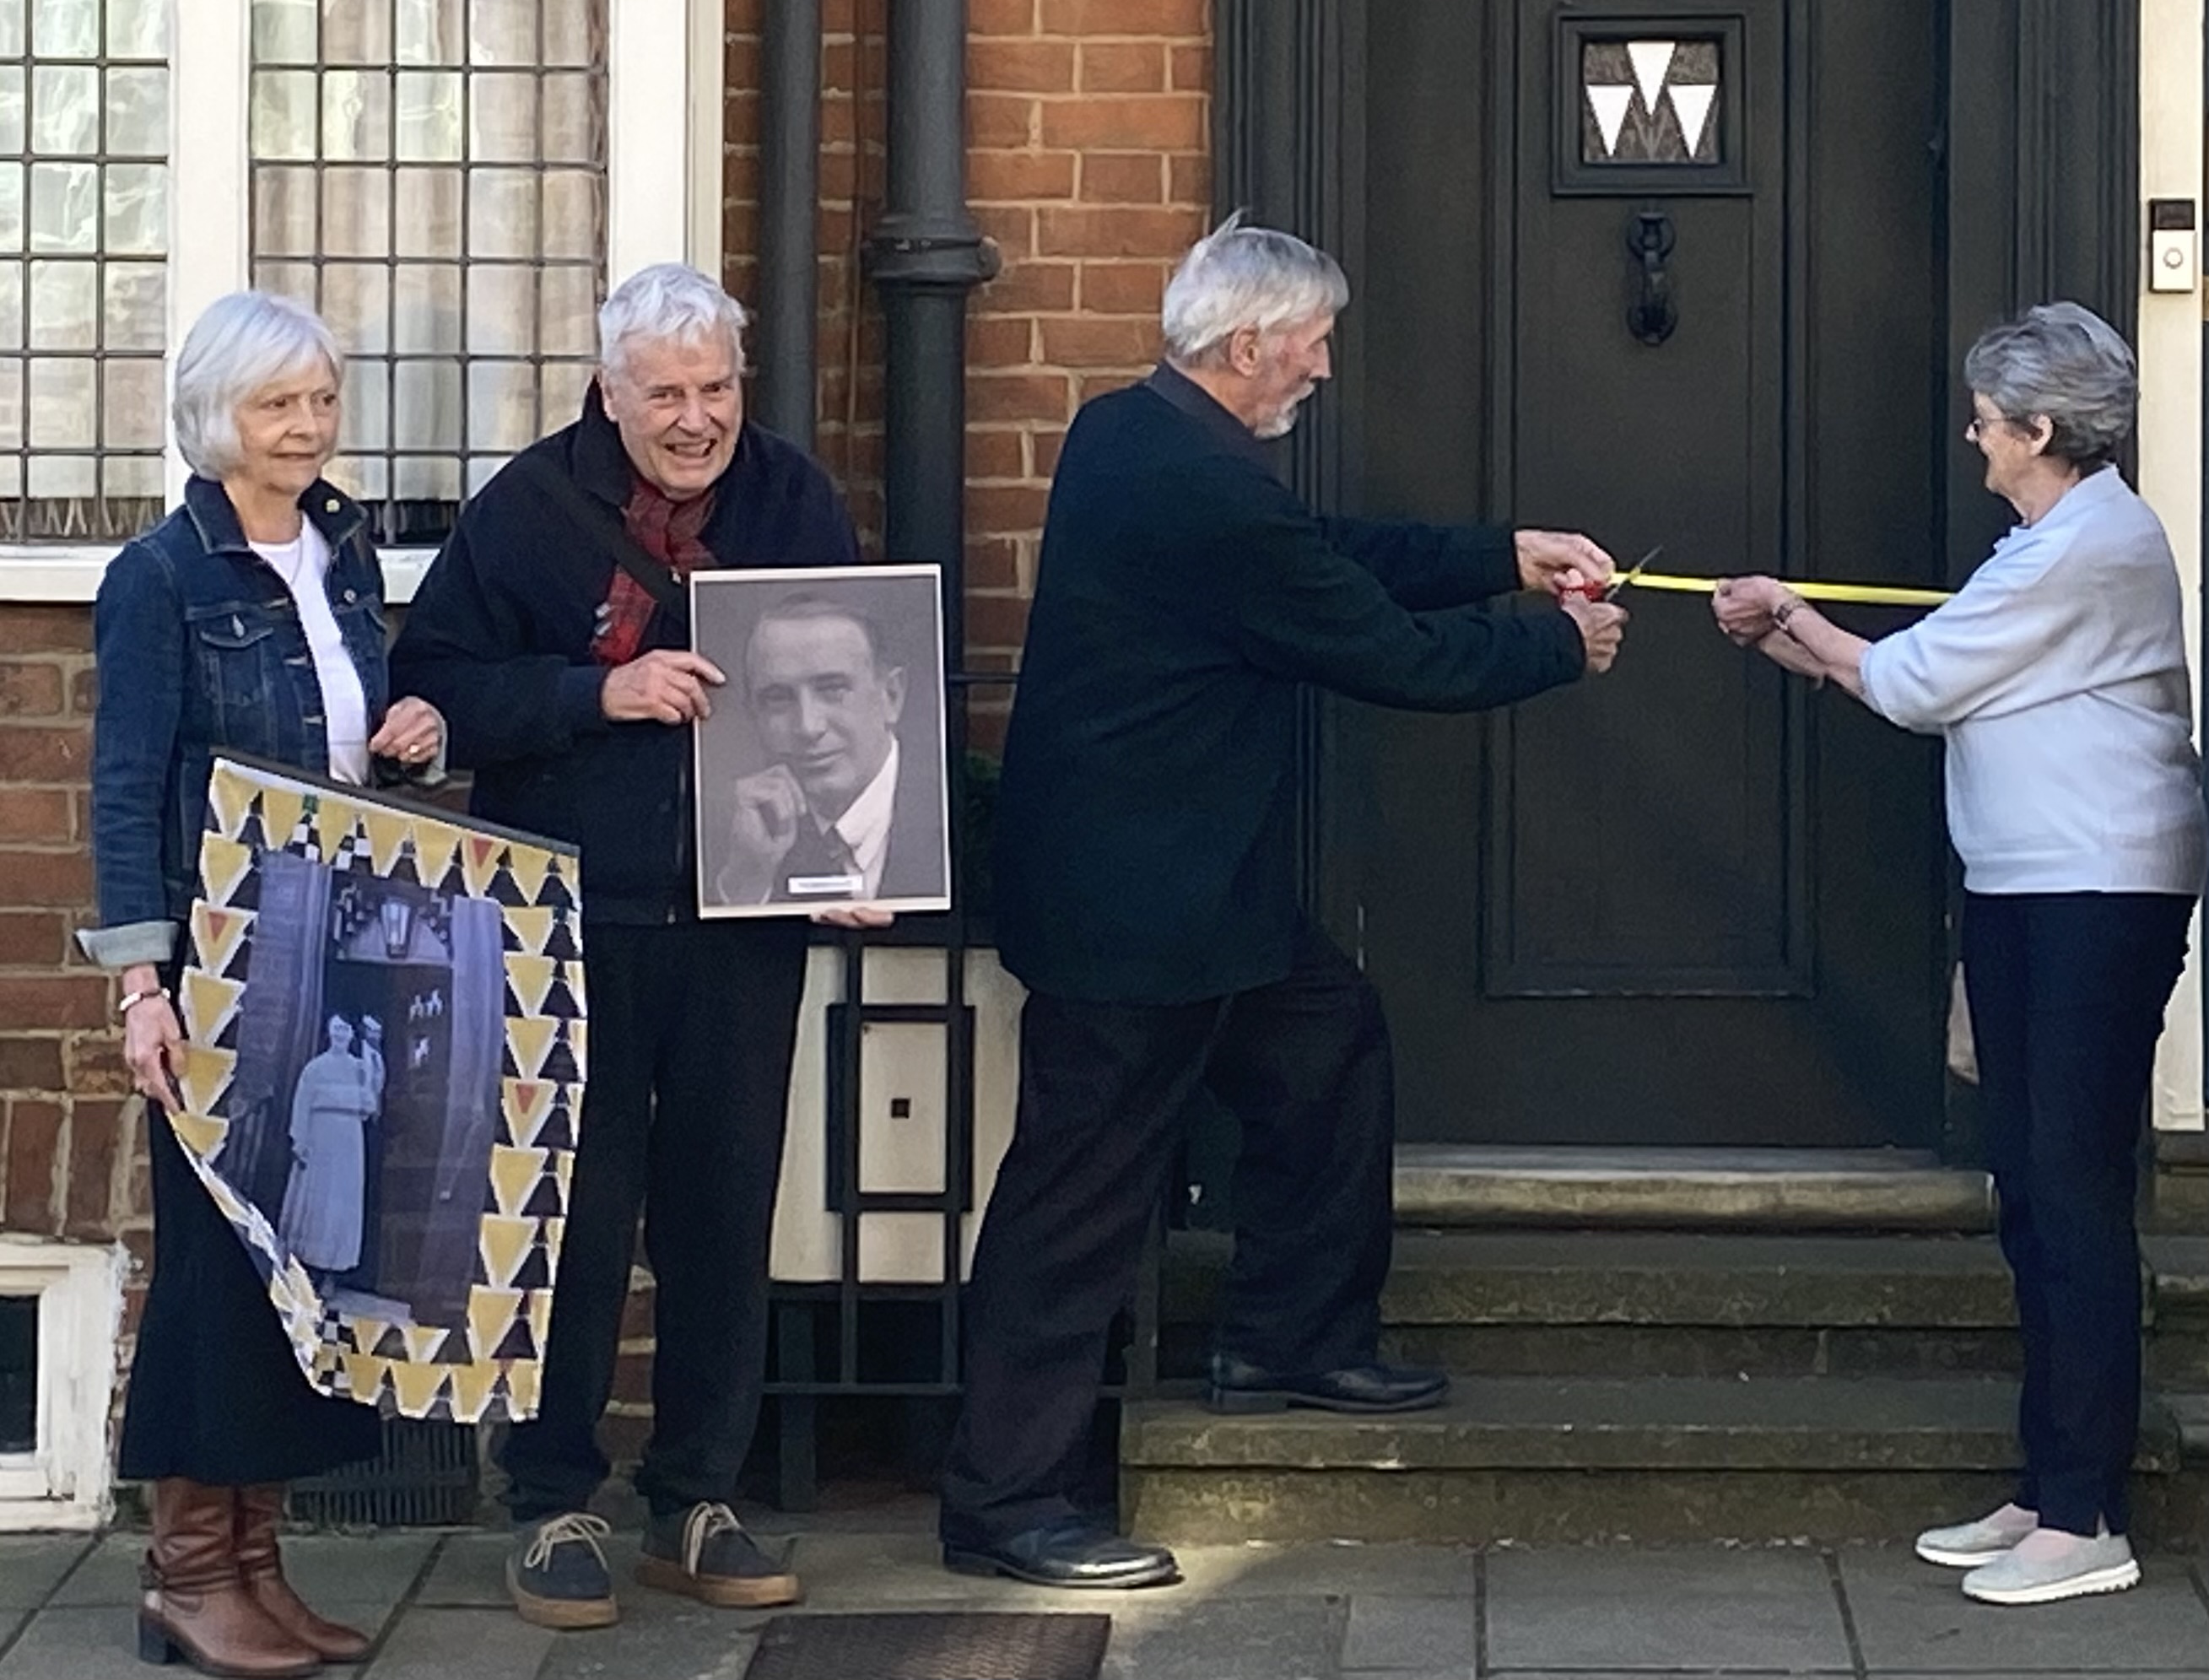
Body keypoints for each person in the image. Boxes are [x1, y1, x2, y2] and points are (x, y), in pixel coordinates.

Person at [937, 215, 1628, 1590]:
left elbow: (1325, 549)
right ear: (1249, 343)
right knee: (1076, 1203)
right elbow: (1377, 646)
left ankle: (1288, 1337)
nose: (1319, 366)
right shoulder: (1203, 492)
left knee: (1327, 1038)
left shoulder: (1130, 431)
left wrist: (1503, 552)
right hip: (1139, 923)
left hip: (1191, 897)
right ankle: (1004, 1501)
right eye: (1311, 343)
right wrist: (1555, 642)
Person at [390, 263, 885, 1632]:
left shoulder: (793, 500)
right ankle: (551, 1503)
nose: (692, 417)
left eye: (714, 387)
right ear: (608, 393)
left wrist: (851, 853)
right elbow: (434, 686)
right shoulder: (530, 509)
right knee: (572, 1218)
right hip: (569, 920)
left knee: (725, 1212)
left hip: (744, 921)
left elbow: (850, 686)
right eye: (662, 392)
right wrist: (595, 692)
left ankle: (697, 1499)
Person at [1713, 302, 2205, 1610]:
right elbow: (1926, 675)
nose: (1973, 440)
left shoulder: (2091, 543)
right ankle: (2047, 1486)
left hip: (2094, 893)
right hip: (2028, 886)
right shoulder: (2044, 541)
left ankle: (2087, 1513)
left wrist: (1787, 616)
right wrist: (1794, 636)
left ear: (2038, 431)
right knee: (2028, 1187)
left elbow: (1918, 684)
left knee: (2071, 1186)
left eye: (1986, 422)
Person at [85, 290, 446, 1677]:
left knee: (303, 1268)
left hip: (337, 946)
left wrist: (412, 731)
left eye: (317, 401)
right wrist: (141, 983)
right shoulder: (161, 576)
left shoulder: (340, 549)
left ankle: (254, 1563)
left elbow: (349, 744)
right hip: (221, 968)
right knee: (218, 1278)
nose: (304, 427)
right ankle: (186, 1569)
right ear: (215, 417)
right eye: (274, 405)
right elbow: (125, 790)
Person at [710, 596, 938, 907]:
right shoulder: (732, 839)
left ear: (891, 696)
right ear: (753, 715)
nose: (807, 726)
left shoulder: (958, 813)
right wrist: (748, 883)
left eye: (833, 689)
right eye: (778, 698)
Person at [278, 1015, 381, 1288]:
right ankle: (304, 1269)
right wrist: (300, 1141)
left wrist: (373, 1055)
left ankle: (331, 1274)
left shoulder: (361, 1069)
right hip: (320, 1138)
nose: (341, 1033)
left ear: (351, 1034)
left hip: (348, 1142)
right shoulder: (315, 1069)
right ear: (328, 1031)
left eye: (345, 1029)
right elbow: (302, 1105)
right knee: (316, 1201)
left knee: (341, 1205)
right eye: (336, 1028)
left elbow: (371, 1100)